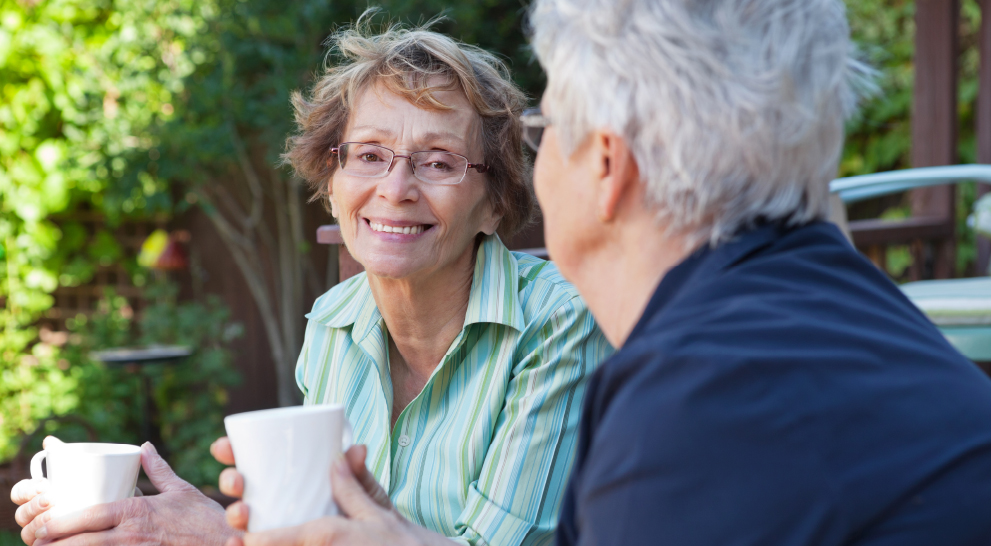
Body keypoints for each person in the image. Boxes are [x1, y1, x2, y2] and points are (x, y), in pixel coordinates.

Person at [11, 20, 611, 546]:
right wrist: (177, 526)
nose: (396, 188)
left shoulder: (558, 320)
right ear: (332, 183)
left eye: (439, 162)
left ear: (493, 204)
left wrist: (224, 537)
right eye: (370, 155)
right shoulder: (332, 325)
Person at [521, 0, 991, 544]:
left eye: (544, 126)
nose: (538, 156)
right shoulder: (852, 316)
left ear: (608, 163)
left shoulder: (695, 409)